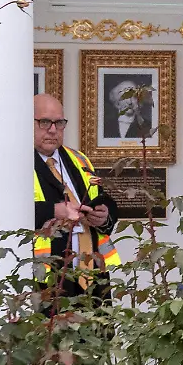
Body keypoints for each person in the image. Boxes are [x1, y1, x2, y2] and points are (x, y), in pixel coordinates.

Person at [34, 93, 120, 307]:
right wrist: (55, 211)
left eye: (59, 123)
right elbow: (7, 214)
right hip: (47, 276)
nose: (53, 130)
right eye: (44, 122)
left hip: (92, 273)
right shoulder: (14, 162)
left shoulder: (78, 158)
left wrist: (104, 215)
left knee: (98, 337)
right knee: (52, 339)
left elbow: (102, 199)